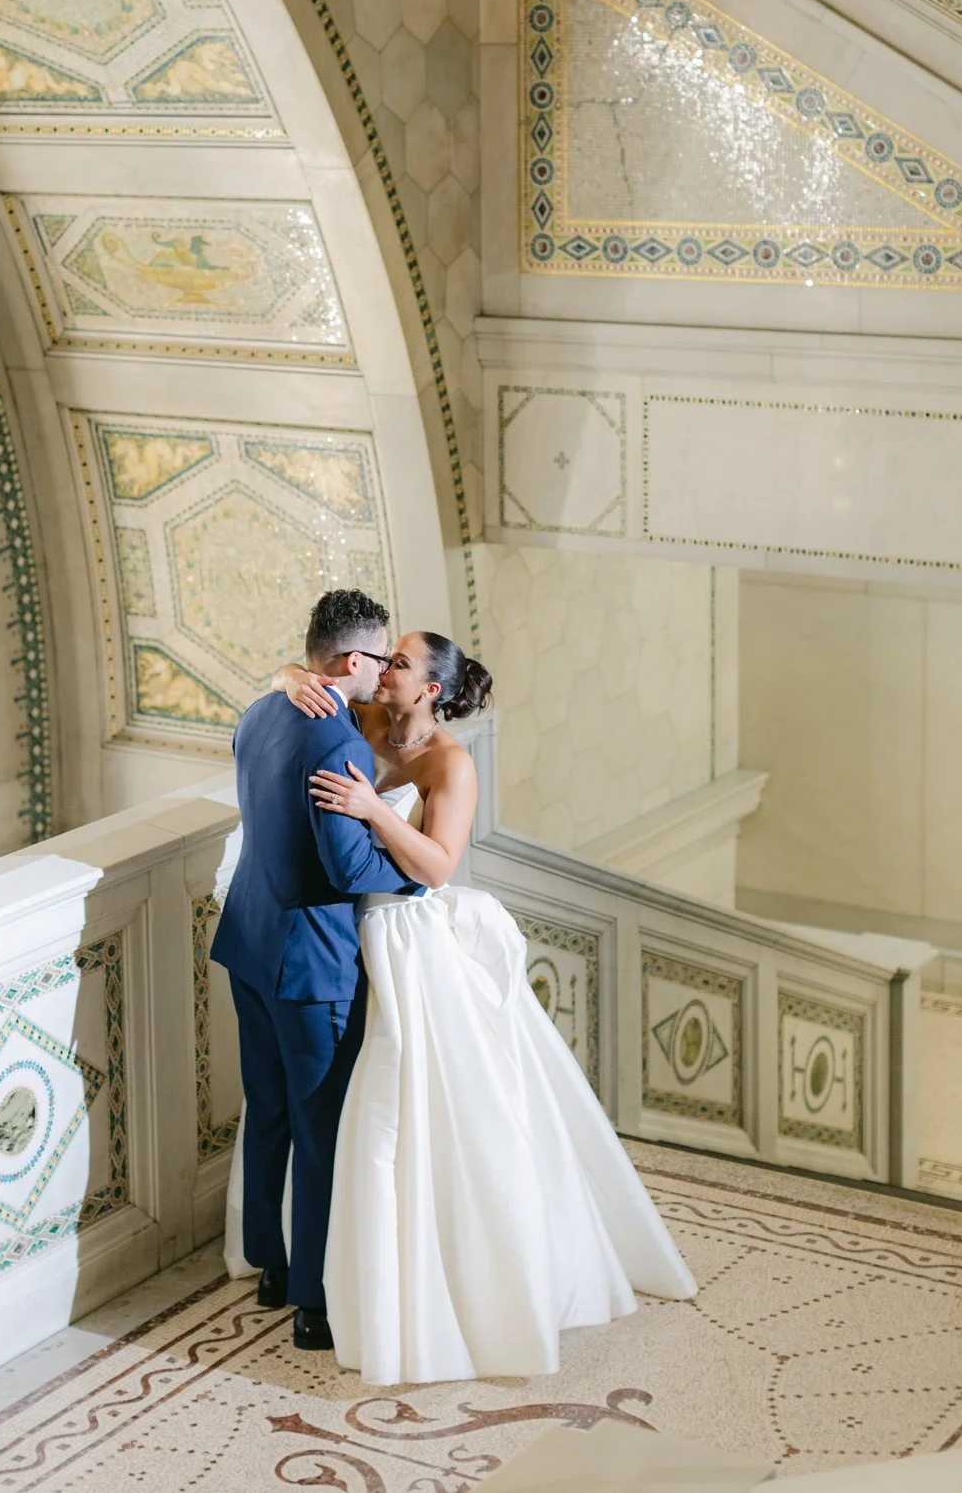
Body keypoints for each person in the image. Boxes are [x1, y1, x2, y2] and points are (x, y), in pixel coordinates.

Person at [271, 627, 698, 1385]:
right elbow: (304, 689)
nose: (381, 669)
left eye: (398, 663)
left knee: (406, 1105)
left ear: (429, 688)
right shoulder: (363, 721)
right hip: (342, 930)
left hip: (403, 931)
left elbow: (437, 866)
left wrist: (375, 809)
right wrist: (285, 678)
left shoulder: (450, 763)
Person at [209, 587, 420, 1351]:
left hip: (248, 942)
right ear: (352, 660)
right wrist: (417, 873)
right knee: (320, 1131)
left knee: (266, 1114)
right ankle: (314, 1305)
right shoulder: (339, 742)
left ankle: (269, 1266)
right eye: (380, 656)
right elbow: (349, 864)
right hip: (309, 964)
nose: (381, 672)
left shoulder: (259, 713)